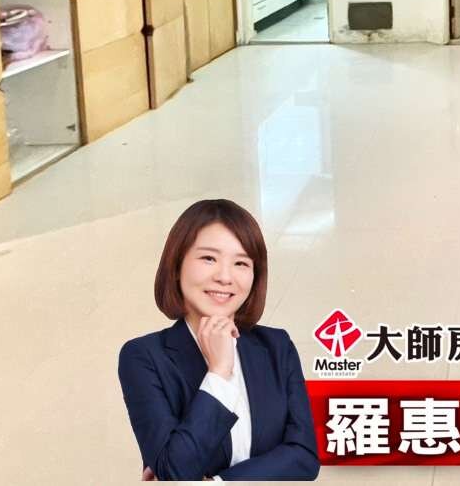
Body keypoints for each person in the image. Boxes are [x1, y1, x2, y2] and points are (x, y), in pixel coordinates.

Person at [118, 200, 320, 481]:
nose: (225, 277)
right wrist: (219, 372)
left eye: (241, 263)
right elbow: (175, 470)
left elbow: (305, 457)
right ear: (176, 265)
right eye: (209, 259)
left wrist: (218, 482)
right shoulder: (144, 356)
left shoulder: (276, 346)